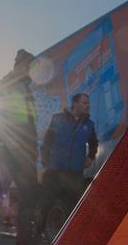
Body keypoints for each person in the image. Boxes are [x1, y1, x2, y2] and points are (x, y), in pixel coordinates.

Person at [0, 49, 40, 245]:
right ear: (18, 65)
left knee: (29, 194)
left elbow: (29, 124)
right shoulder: (3, 86)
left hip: (24, 153)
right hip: (6, 151)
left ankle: (24, 240)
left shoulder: (27, 90)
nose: (30, 70)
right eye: (28, 66)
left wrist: (33, 149)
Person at [39, 92, 98, 236]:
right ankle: (38, 233)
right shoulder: (58, 119)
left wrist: (90, 157)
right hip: (54, 172)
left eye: (88, 103)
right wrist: (46, 162)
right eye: (84, 103)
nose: (88, 106)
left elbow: (94, 143)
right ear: (75, 104)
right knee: (46, 204)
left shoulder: (89, 125)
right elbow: (47, 142)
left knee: (72, 208)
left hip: (75, 175)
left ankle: (66, 238)